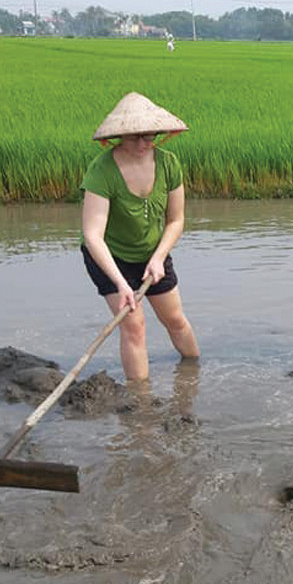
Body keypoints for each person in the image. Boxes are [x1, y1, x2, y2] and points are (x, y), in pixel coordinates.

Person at [80, 91, 199, 382]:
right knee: (134, 326)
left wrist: (158, 258)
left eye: (150, 137)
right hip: (110, 258)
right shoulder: (102, 170)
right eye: (136, 138)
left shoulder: (168, 163)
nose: (144, 144)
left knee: (174, 319)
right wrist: (121, 283)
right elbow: (92, 235)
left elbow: (176, 220)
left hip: (152, 253)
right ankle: (141, 405)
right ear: (121, 136)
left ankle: (194, 375)